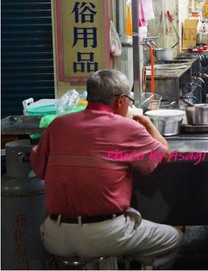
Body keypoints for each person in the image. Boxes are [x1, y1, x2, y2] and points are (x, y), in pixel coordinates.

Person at [30, 69, 183, 269]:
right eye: (129, 99)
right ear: (120, 100)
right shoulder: (127, 128)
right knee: (173, 239)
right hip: (105, 235)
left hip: (54, 234)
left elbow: (39, 168)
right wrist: (148, 124)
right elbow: (164, 155)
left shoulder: (57, 125)